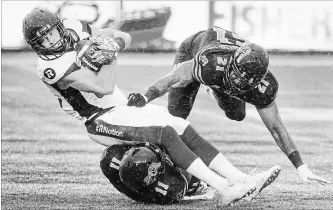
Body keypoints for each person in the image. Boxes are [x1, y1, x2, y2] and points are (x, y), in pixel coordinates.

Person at [22, 9, 281, 206]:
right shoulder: (50, 67)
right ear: (36, 46)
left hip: (119, 107)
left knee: (182, 126)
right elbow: (103, 87)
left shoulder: (74, 27)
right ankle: (223, 188)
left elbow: (121, 35)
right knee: (166, 133)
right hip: (99, 118)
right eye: (43, 41)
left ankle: (239, 179)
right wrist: (109, 54)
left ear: (59, 26)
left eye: (53, 33)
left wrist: (111, 44)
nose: (52, 42)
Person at [126, 26, 331, 185]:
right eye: (234, 73)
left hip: (216, 75)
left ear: (256, 82)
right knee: (177, 116)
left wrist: (300, 166)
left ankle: (214, 88)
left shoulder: (264, 87)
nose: (235, 80)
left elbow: (276, 128)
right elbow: (173, 79)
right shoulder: (212, 63)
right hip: (194, 50)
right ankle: (169, 163)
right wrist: (146, 96)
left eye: (243, 80)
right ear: (232, 62)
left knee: (237, 115)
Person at [100, 142, 215, 205]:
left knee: (110, 157)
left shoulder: (114, 158)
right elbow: (179, 182)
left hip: (137, 179)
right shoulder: (171, 188)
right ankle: (196, 183)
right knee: (110, 157)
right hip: (165, 185)